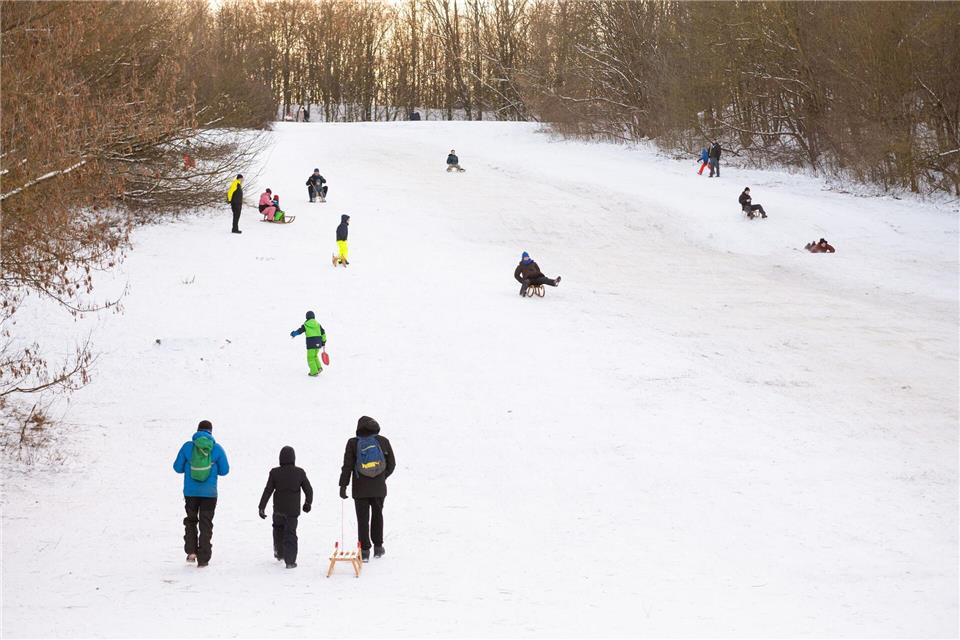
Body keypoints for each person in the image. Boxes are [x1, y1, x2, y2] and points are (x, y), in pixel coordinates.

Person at [172, 420, 230, 568]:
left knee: (191, 520)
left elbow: (177, 467)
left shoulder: (188, 447)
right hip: (210, 494)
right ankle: (203, 558)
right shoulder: (216, 448)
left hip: (190, 492)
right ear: (211, 431)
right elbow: (224, 471)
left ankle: (191, 552)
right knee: (206, 524)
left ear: (197, 430)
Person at [339, 416, 396, 562]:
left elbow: (347, 466)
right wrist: (382, 477)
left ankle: (364, 551)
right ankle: (378, 547)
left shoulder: (353, 443)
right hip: (379, 488)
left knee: (362, 519)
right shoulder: (383, 441)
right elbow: (392, 464)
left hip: (360, 488)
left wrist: (343, 485)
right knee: (378, 515)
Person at [258, 446, 313, 569]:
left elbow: (268, 490)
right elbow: (309, 490)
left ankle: (279, 553)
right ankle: (290, 561)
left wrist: (261, 507)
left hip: (278, 509)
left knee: (278, 530)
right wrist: (307, 503)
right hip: (292, 511)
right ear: (293, 458)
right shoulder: (299, 472)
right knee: (290, 534)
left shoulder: (275, 472)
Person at [290, 310, 327, 376]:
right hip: (319, 342)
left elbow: (299, 331)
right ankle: (319, 368)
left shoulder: (306, 325)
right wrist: (323, 341)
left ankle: (314, 372)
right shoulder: (318, 324)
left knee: (310, 358)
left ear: (307, 317)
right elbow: (323, 333)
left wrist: (293, 334)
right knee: (315, 356)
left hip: (311, 343)